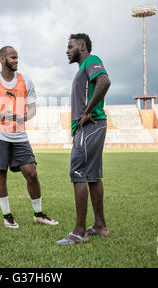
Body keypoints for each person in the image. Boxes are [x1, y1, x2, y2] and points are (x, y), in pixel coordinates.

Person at [0, 46, 58, 229]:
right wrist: (2, 115)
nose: (16, 60)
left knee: (31, 172)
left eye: (17, 58)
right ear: (2, 59)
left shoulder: (26, 81)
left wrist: (25, 117)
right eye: (13, 57)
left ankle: (38, 214)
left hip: (19, 135)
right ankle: (7, 216)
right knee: (1, 174)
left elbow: (31, 108)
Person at [57, 33, 111, 245]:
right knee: (93, 176)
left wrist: (87, 111)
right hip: (91, 126)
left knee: (78, 173)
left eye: (70, 46)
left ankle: (79, 232)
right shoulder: (82, 69)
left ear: (81, 45)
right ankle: (100, 226)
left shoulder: (92, 60)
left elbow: (104, 81)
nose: (67, 50)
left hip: (89, 125)